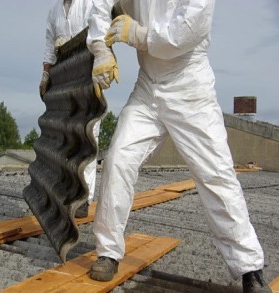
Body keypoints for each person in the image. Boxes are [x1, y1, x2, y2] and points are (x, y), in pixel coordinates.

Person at [86, 1, 272, 292]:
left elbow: (183, 34)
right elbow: (100, 5)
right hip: (148, 87)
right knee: (117, 159)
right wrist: (100, 49)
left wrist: (138, 35)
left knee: (216, 175)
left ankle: (250, 268)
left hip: (190, 87)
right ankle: (108, 251)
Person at [40, 0, 99, 218]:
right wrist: (46, 74)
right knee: (66, 138)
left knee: (88, 137)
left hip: (88, 74)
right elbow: (49, 45)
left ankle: (85, 197)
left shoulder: (90, 3)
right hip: (64, 78)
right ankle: (66, 192)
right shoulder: (55, 11)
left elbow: (101, 31)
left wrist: (74, 43)